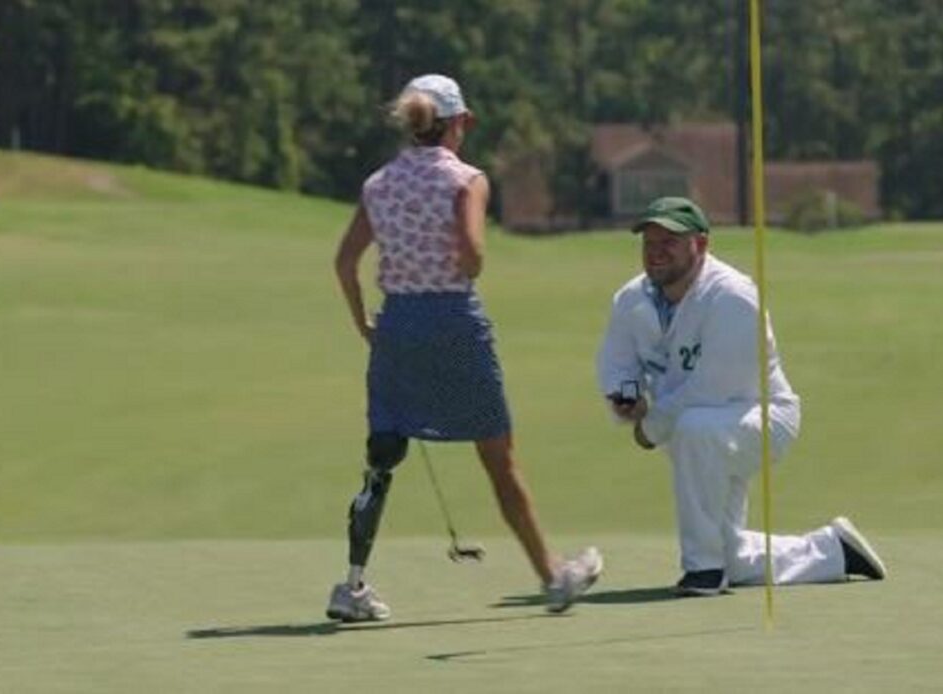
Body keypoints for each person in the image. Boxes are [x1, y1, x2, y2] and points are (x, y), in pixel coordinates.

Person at [327, 74, 602, 621]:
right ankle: (552, 577)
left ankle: (352, 587)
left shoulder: (378, 184)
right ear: (458, 123)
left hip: (397, 327)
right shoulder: (467, 180)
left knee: (381, 460)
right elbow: (473, 257)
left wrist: (366, 325)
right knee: (498, 459)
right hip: (453, 321)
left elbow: (344, 263)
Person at [596, 196, 887, 596]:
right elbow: (617, 363)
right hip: (693, 429)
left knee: (697, 427)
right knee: (732, 553)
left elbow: (709, 390)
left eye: (670, 241)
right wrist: (625, 399)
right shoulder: (630, 299)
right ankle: (833, 550)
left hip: (761, 416)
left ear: (700, 245)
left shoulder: (732, 297)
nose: (656, 252)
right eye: (649, 242)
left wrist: (650, 428)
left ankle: (702, 570)